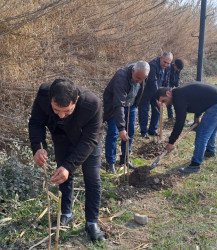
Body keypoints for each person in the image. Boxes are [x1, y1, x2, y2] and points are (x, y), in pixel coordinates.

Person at [28, 78, 106, 242]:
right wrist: (38, 147)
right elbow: (36, 122)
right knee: (62, 174)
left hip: (88, 142)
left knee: (92, 178)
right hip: (61, 137)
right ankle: (66, 214)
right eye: (56, 110)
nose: (61, 115)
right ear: (51, 100)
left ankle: (92, 222)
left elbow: (90, 140)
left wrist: (69, 166)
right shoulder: (44, 94)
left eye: (67, 111)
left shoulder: (92, 104)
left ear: (76, 100)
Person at [156, 82, 217, 174]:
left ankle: (195, 165)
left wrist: (171, 142)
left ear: (168, 93)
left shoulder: (178, 97)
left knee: (202, 133)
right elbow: (199, 99)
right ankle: (210, 150)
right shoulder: (179, 93)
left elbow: (180, 122)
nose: (166, 104)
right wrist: (197, 117)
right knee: (211, 127)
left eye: (164, 100)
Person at [103, 61, 150, 173]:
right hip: (115, 106)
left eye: (142, 79)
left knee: (130, 132)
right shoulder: (121, 77)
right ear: (133, 70)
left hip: (131, 105)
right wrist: (121, 128)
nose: (139, 81)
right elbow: (118, 103)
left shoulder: (142, 75)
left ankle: (125, 159)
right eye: (137, 78)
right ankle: (111, 163)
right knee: (113, 134)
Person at [138, 52, 173, 138]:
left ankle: (152, 130)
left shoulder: (168, 68)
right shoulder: (152, 65)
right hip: (146, 92)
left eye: (168, 63)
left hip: (158, 93)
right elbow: (152, 82)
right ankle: (144, 131)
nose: (166, 64)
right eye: (164, 62)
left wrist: (166, 93)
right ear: (161, 58)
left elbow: (167, 81)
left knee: (157, 111)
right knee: (144, 111)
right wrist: (159, 96)